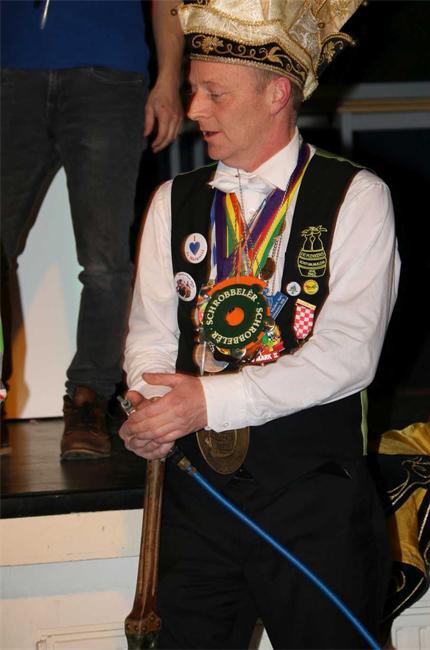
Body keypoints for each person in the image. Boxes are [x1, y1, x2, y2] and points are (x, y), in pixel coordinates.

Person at [119, 0, 401, 647]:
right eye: (193, 90)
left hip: (313, 502)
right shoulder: (172, 200)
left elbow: (348, 355)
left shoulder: (357, 196)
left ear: (276, 94)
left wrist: (205, 402)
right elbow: (151, 334)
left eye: (214, 93)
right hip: (198, 500)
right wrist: (150, 408)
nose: (194, 109)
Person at [1, 0, 183, 460]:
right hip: (10, 70)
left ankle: (89, 398)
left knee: (104, 262)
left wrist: (168, 81)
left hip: (109, 77)